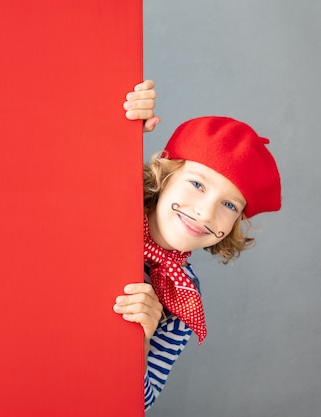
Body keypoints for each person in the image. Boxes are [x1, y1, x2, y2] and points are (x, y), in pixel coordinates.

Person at [117, 81, 282, 411]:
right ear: (165, 174)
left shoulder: (182, 293)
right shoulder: (110, 204)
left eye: (230, 206)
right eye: (196, 184)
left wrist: (143, 337)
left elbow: (140, 404)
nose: (206, 212)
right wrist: (120, 116)